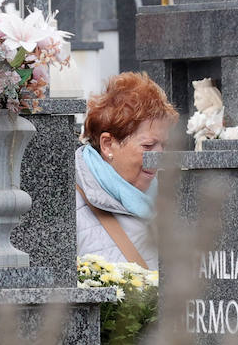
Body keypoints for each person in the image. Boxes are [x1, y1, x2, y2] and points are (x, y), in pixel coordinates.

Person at [76, 72, 179, 268]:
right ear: (107, 145)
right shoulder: (68, 209)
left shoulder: (173, 200)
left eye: (164, 146)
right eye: (148, 146)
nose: (159, 157)